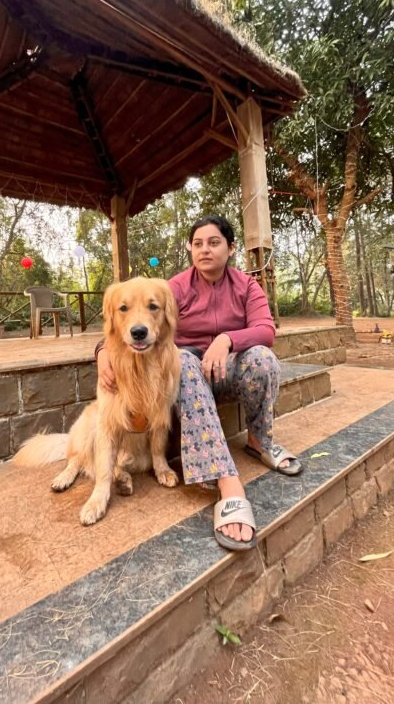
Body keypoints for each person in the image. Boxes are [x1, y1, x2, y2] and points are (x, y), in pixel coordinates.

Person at [97, 215, 303, 552]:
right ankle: (226, 480)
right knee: (183, 360)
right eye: (197, 244)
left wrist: (227, 339)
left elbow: (266, 330)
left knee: (263, 359)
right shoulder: (173, 288)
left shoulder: (247, 286)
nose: (204, 249)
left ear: (231, 248)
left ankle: (259, 441)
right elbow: (132, 319)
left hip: (230, 370)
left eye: (214, 242)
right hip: (190, 378)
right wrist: (102, 352)